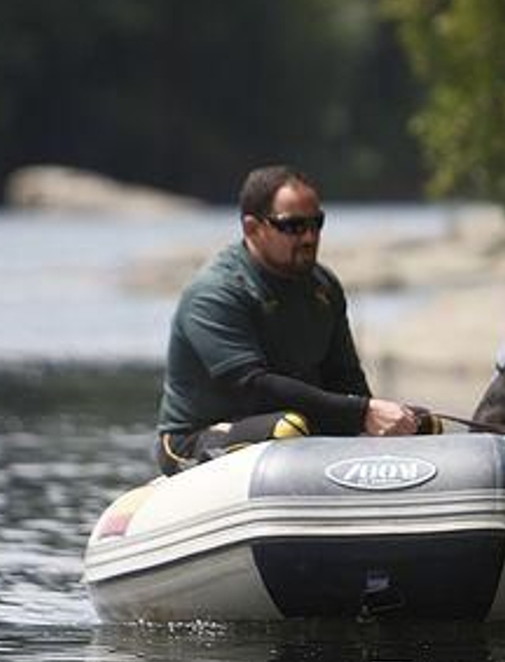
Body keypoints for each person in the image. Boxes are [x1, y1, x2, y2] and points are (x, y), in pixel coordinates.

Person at [155, 164, 434, 471]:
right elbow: (253, 388)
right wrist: (361, 412)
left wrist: (375, 422)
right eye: (293, 226)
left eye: (317, 223)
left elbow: (346, 378)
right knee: (289, 428)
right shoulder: (216, 292)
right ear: (252, 228)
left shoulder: (323, 287)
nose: (309, 236)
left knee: (420, 423)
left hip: (294, 422)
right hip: (196, 438)